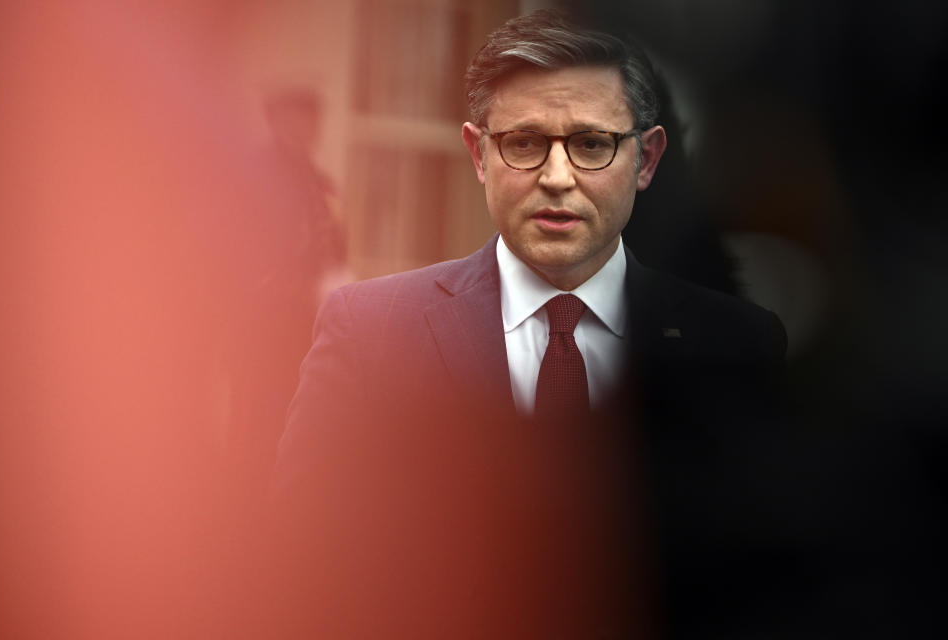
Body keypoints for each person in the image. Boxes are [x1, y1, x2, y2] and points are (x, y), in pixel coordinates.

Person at [271, 10, 785, 639]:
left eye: (592, 144)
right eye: (525, 143)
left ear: (647, 159)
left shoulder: (737, 347)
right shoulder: (369, 331)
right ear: (479, 153)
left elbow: (767, 587)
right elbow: (297, 569)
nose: (557, 177)